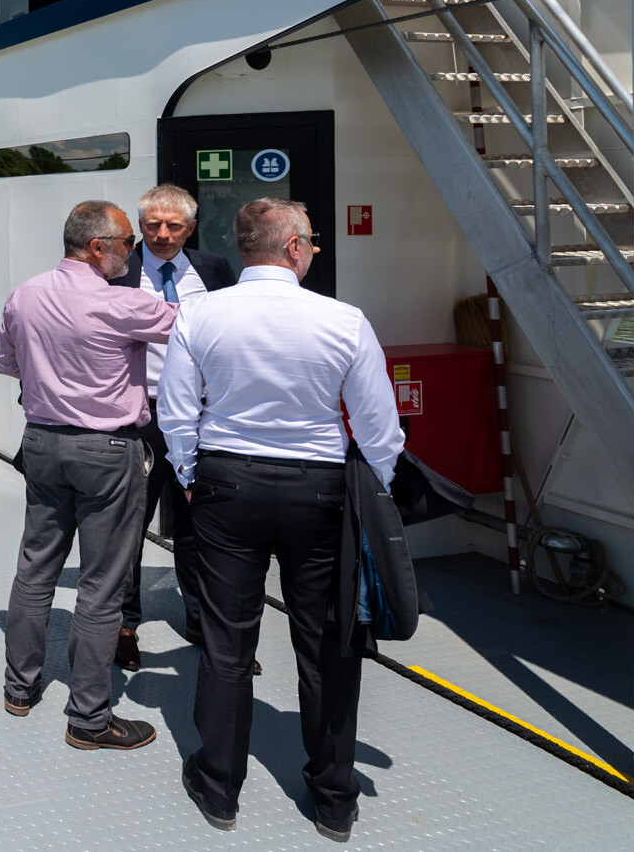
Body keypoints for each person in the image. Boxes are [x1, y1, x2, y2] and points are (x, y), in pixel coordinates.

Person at [160, 199, 403, 840]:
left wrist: (190, 477)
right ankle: (333, 800)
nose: (315, 249)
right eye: (312, 241)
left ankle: (219, 788)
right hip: (318, 492)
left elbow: (176, 411)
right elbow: (379, 429)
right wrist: (375, 494)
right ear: (293, 247)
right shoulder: (343, 320)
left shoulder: (199, 313)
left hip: (226, 485)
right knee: (327, 646)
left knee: (227, 643)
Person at [0, 200, 175, 750]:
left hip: (42, 444)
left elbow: (7, 363)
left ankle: (19, 689)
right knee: (102, 584)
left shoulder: (24, 294)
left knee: (35, 567)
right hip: (107, 451)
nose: (133, 250)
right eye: (127, 242)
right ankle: (89, 718)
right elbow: (195, 329)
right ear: (98, 248)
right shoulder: (125, 303)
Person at [107, 183, 237, 671]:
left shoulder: (214, 270)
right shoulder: (117, 272)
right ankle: (124, 626)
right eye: (152, 225)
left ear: (191, 227)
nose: (162, 234)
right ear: (140, 225)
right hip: (140, 415)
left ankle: (203, 621)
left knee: (199, 525)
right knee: (129, 525)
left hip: (201, 416)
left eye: (173, 225)